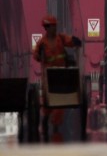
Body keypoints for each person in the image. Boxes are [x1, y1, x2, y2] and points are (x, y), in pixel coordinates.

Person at [32, 14, 82, 143]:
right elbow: (35, 55)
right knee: (47, 103)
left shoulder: (61, 38)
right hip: (48, 75)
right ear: (46, 28)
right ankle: (45, 121)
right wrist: (38, 54)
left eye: (54, 26)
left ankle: (55, 127)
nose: (53, 29)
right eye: (50, 27)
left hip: (61, 74)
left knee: (59, 103)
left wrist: (76, 41)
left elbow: (69, 40)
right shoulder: (42, 43)